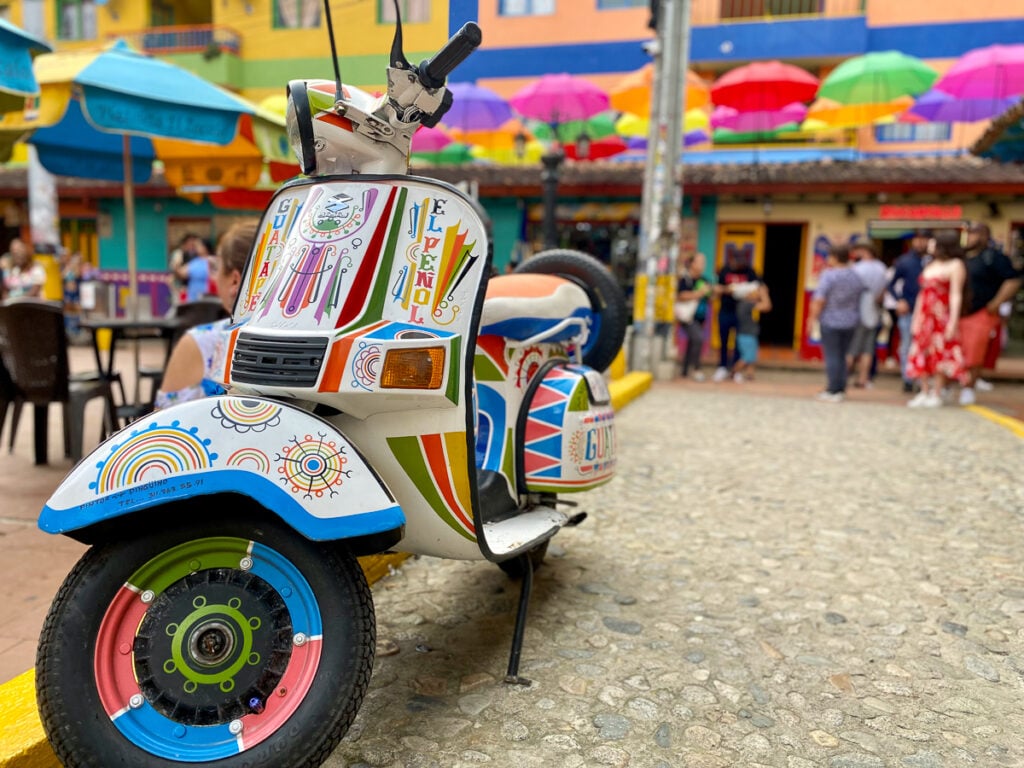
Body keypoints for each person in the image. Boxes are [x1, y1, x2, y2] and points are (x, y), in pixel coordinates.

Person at [155, 221, 258, 409]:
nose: (213, 276)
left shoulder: (202, 343)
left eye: (217, 267)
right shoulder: (315, 347)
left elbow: (160, 433)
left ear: (235, 280)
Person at [956, 222, 1022, 406]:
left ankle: (969, 387)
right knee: (954, 350)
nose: (969, 238)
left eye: (973, 234)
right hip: (958, 313)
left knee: (975, 352)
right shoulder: (961, 258)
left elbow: (1013, 280)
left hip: (981, 311)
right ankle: (947, 384)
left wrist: (996, 302)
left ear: (984, 236)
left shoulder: (994, 257)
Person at [905, 231, 967, 408]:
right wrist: (916, 318)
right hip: (925, 316)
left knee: (940, 353)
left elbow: (956, 294)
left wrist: (953, 321)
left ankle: (937, 392)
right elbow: (921, 294)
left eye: (933, 243)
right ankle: (924, 390)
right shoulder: (930, 265)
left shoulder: (956, 265)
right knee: (920, 351)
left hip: (942, 316)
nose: (929, 245)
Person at [808, 245, 863, 402]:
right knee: (843, 355)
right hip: (851, 320)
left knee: (832, 355)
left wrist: (811, 319)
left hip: (831, 320)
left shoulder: (829, 276)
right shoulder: (855, 275)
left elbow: (820, 299)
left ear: (835, 257)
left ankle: (833, 388)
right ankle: (841, 387)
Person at [887, 229, 930, 392]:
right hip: (909, 310)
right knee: (907, 345)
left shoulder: (934, 261)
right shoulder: (904, 261)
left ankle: (922, 380)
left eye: (924, 239)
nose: (920, 243)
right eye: (917, 239)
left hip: (928, 312)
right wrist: (899, 301)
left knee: (925, 346)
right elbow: (891, 284)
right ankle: (908, 378)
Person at [711, 249, 759, 382]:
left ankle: (736, 370)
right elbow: (716, 289)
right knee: (723, 340)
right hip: (725, 310)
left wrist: (745, 292)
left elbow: (757, 289)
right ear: (732, 259)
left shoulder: (749, 271)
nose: (740, 264)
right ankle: (722, 367)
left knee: (739, 342)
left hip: (742, 314)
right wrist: (729, 289)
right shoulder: (724, 270)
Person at [848, 240, 888, 389]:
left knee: (851, 347)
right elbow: (883, 292)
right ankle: (864, 379)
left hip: (858, 309)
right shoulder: (881, 267)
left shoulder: (857, 268)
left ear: (864, 251)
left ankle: (842, 378)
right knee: (868, 348)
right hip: (874, 309)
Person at [675, 251, 713, 381]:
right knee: (698, 339)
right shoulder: (685, 279)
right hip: (687, 316)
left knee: (693, 342)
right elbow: (681, 295)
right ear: (692, 264)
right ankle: (696, 369)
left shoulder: (704, 280)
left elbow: (711, 295)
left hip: (700, 316)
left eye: (704, 262)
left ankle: (685, 371)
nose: (703, 265)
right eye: (700, 262)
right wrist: (698, 293)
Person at [731, 281, 771, 383]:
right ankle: (734, 372)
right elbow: (767, 306)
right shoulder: (746, 304)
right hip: (746, 335)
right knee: (747, 357)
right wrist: (764, 294)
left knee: (752, 357)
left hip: (749, 334)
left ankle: (750, 375)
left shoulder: (744, 304)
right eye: (754, 292)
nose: (756, 293)